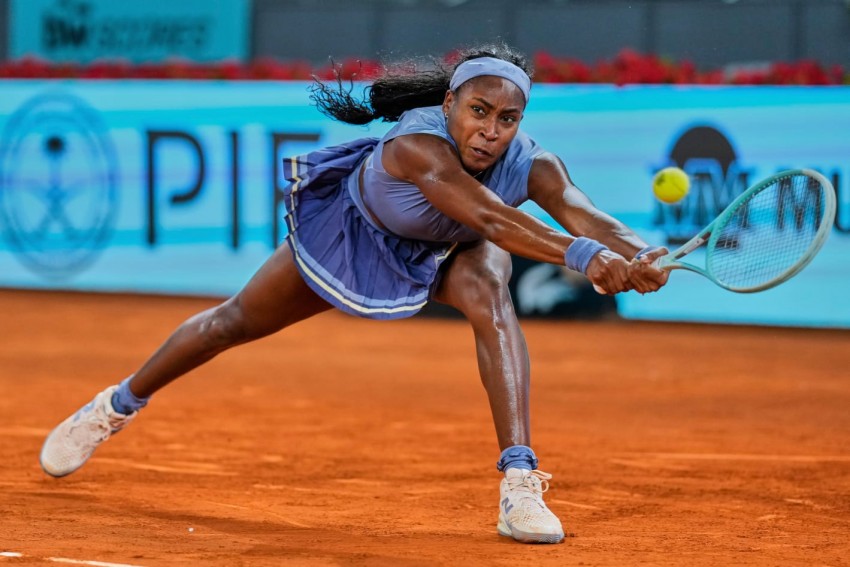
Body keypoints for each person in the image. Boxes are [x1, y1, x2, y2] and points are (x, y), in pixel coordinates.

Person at [39, 43, 669, 545]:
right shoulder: (419, 145)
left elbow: (583, 213)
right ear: (449, 102)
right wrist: (587, 257)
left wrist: (639, 251)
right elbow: (490, 217)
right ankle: (113, 406)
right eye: (478, 111)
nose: (490, 131)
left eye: (507, 120)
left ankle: (520, 480)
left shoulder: (534, 163)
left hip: (446, 253)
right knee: (232, 323)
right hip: (352, 235)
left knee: (490, 293)